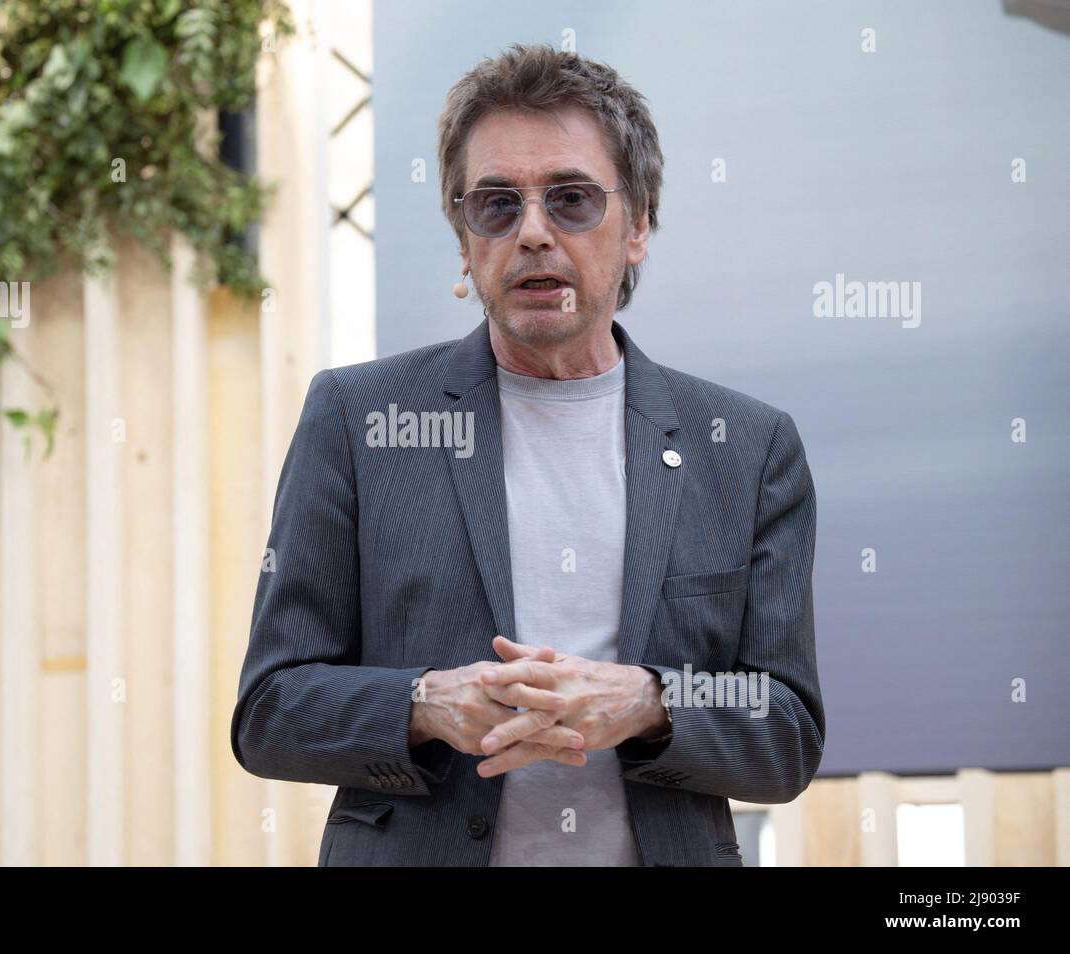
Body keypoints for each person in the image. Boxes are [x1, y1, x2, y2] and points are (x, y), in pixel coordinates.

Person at [231, 43, 823, 866]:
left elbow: (787, 734)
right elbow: (272, 710)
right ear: (463, 238)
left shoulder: (749, 448)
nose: (534, 232)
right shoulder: (358, 419)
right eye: (496, 205)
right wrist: (427, 701)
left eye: (573, 200)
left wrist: (652, 701)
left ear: (639, 223)